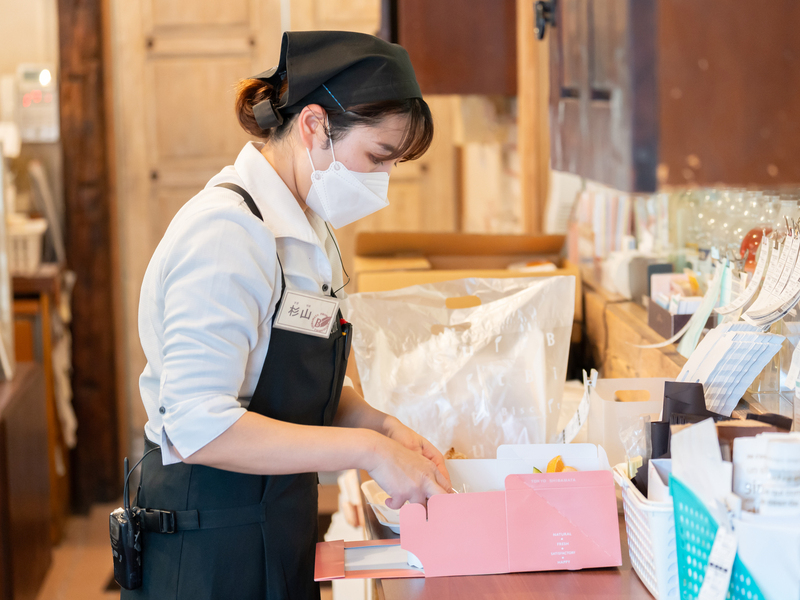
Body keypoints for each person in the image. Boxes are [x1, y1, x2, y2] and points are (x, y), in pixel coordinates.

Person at [124, 30, 451, 600]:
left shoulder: (307, 230)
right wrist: (367, 451)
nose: (382, 183)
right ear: (314, 126)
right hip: (206, 546)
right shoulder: (226, 234)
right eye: (377, 158)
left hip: (276, 527)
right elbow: (197, 426)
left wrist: (381, 427)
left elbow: (288, 382)